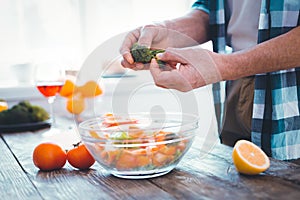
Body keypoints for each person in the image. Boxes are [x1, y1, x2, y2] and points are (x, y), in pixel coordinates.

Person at [120, 0, 300, 162]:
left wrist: (223, 66)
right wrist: (166, 30)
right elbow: (212, 9)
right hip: (235, 85)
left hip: (290, 93)